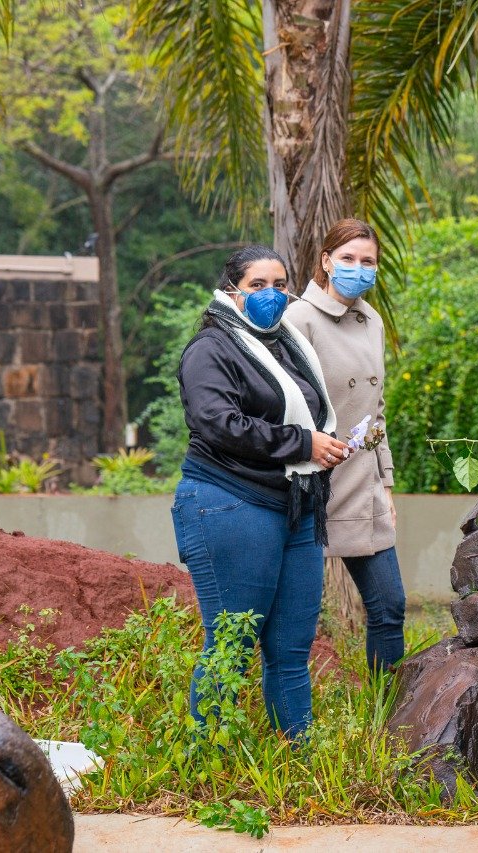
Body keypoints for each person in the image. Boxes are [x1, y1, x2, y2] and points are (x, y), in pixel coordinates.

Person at [169, 245, 350, 739]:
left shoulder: (285, 343)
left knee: (291, 649)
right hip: (231, 501)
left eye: (279, 284)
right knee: (231, 642)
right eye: (257, 286)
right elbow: (217, 422)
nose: (271, 295)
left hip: (295, 506)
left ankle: (297, 760)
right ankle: (206, 763)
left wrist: (322, 447)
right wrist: (302, 442)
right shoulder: (211, 348)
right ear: (231, 291)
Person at [284, 218, 406, 672]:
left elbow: (377, 409)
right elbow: (283, 403)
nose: (358, 268)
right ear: (325, 262)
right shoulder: (298, 319)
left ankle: (388, 717)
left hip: (363, 482)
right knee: (294, 621)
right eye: (348, 258)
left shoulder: (371, 319)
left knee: (390, 607)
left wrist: (387, 483)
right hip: (307, 483)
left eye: (368, 261)